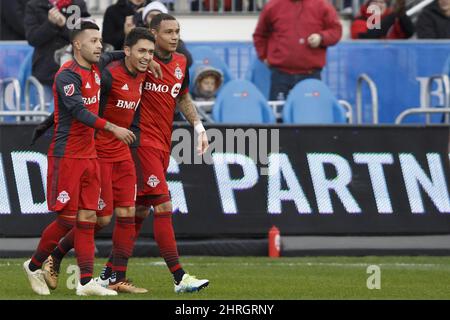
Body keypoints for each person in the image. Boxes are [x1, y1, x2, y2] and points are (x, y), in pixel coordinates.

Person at [97, 13, 210, 294]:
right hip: (141, 143)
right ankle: (179, 277)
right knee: (163, 206)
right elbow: (109, 60)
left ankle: (110, 273)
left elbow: (181, 95)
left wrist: (197, 125)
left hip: (162, 144)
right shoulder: (140, 62)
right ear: (153, 33)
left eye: (178, 31)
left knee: (136, 214)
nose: (174, 37)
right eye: (169, 32)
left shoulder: (182, 61)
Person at [23, 20, 136, 297]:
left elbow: (119, 54)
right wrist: (112, 127)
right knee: (66, 220)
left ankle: (86, 282)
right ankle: (33, 264)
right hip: (67, 156)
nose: (99, 46)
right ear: (77, 44)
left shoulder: (97, 65)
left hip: (90, 155)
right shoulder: (67, 75)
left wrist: (141, 53)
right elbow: (78, 111)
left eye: (100, 41)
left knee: (88, 217)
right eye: (93, 41)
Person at [253, 0, 342, 101]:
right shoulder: (272, 6)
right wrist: (263, 56)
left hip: (311, 75)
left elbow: (336, 31)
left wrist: (321, 38)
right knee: (278, 114)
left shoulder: (322, 5)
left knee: (310, 115)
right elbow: (260, 35)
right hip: (280, 75)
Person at [24, 0, 91, 112]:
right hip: (45, 72)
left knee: (73, 115)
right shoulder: (34, 5)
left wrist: (63, 24)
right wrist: (50, 24)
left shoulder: (77, 4)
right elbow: (33, 38)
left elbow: (83, 38)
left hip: (73, 72)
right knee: (45, 116)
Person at [139, 1, 193, 68]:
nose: (155, 20)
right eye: (152, 16)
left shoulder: (180, 55)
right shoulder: (138, 41)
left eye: (177, 32)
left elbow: (188, 61)